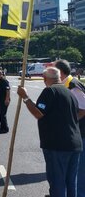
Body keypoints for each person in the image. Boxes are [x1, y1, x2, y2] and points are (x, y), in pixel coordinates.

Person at [17, 67, 82, 197]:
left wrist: (25, 98)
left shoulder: (50, 91)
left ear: (44, 78)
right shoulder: (69, 92)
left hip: (57, 145)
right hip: (74, 144)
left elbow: (38, 113)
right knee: (70, 182)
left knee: (57, 181)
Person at [54, 59, 85, 197]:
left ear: (60, 72)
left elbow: (83, 109)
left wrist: (70, 122)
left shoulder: (73, 85)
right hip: (76, 132)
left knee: (79, 170)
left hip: (81, 133)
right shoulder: (65, 84)